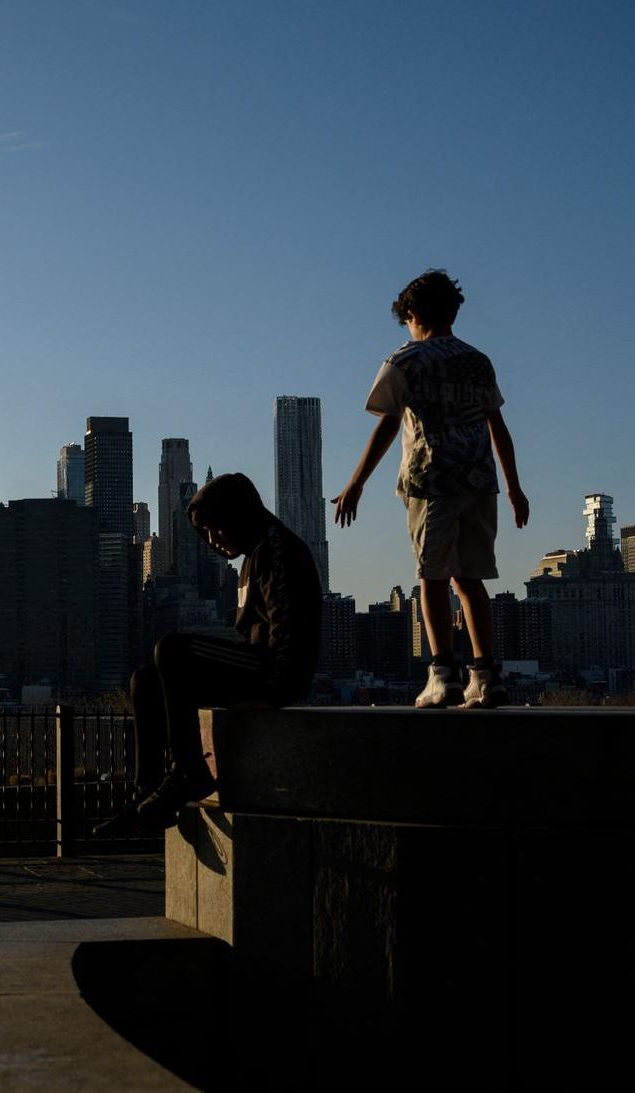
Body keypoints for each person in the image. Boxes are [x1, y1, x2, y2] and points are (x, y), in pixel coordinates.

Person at [333, 269, 529, 709]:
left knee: (432, 577)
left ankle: (443, 674)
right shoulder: (479, 361)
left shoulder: (406, 361)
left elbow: (387, 424)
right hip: (480, 482)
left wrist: (356, 483)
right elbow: (498, 426)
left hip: (432, 480)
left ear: (413, 314)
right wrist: (515, 488)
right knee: (471, 579)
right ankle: (487, 675)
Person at [98, 472, 322, 835]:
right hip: (254, 664)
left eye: (215, 529)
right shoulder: (252, 557)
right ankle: (146, 796)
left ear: (237, 516)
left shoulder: (276, 549)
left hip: (273, 672)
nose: (212, 542)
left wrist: (274, 693)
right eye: (204, 535)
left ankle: (189, 770)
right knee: (145, 680)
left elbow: (290, 637)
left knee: (171, 648)